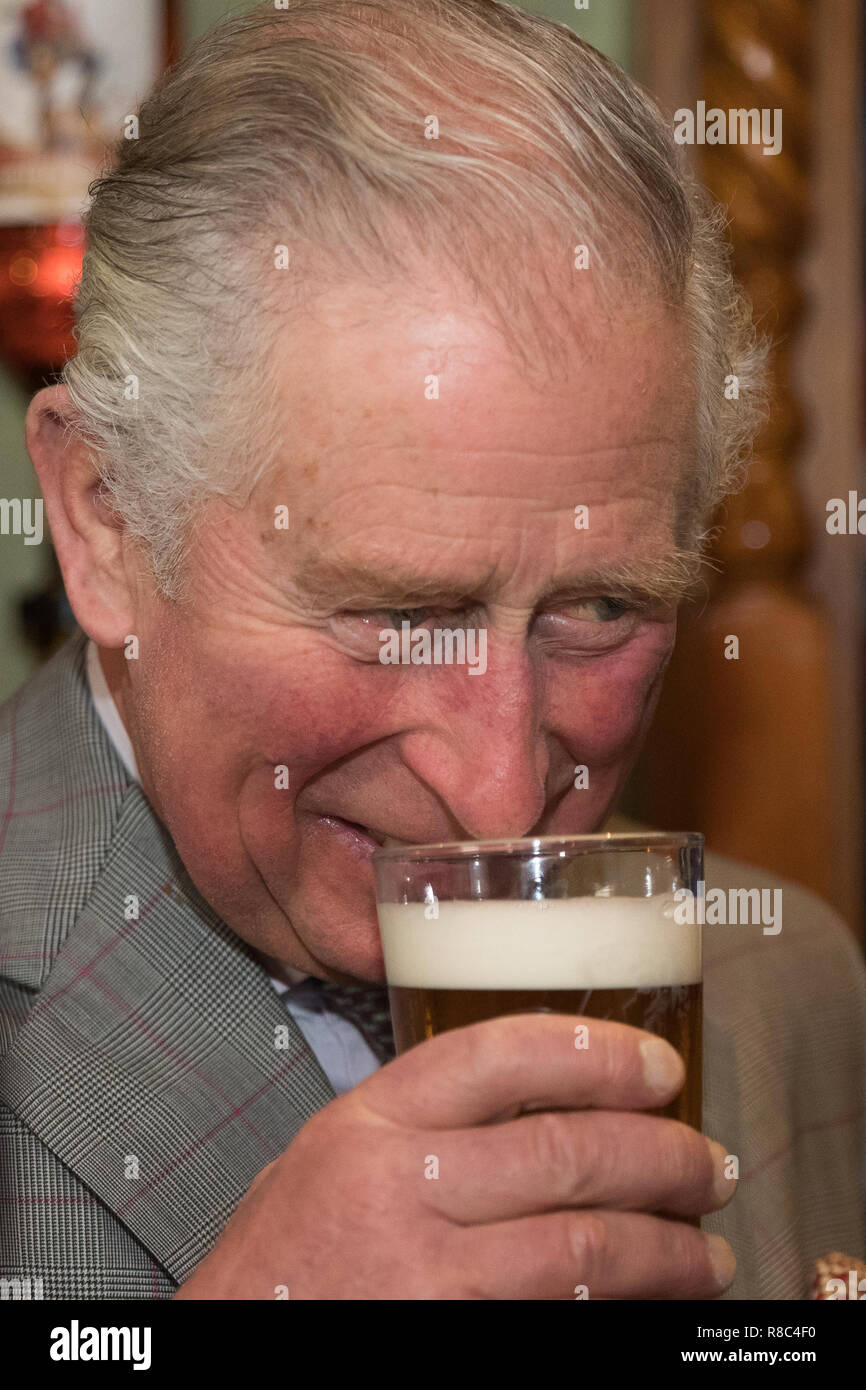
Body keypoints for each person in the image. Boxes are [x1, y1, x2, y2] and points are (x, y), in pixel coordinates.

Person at [2, 0, 863, 1301]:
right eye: (398, 612)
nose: (500, 789)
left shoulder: (783, 981)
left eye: (600, 609)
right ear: (107, 526)